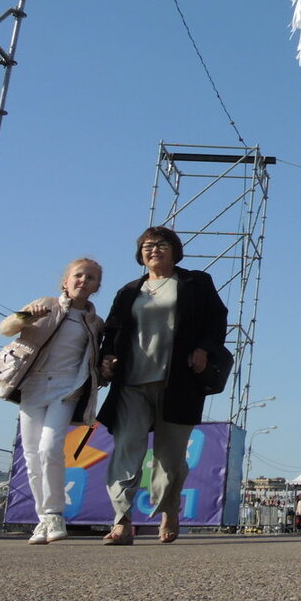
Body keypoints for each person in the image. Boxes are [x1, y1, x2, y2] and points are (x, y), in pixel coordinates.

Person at [97, 226, 228, 544]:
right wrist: (107, 359)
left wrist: (204, 349)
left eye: (161, 244)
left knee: (168, 459)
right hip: (131, 383)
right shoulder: (129, 291)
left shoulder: (195, 282)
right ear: (139, 253)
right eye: (147, 245)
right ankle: (122, 521)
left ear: (175, 250)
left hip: (179, 382)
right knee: (127, 450)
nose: (153, 249)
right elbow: (113, 331)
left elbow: (217, 318)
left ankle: (169, 510)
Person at [0, 258, 104, 545]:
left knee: (49, 447)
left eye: (91, 278)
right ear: (65, 281)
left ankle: (55, 513)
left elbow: (98, 359)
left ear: (97, 286)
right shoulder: (45, 303)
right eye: (78, 275)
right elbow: (4, 328)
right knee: (31, 455)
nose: (84, 281)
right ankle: (43, 519)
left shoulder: (95, 323)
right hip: (33, 386)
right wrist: (25, 317)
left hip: (67, 388)